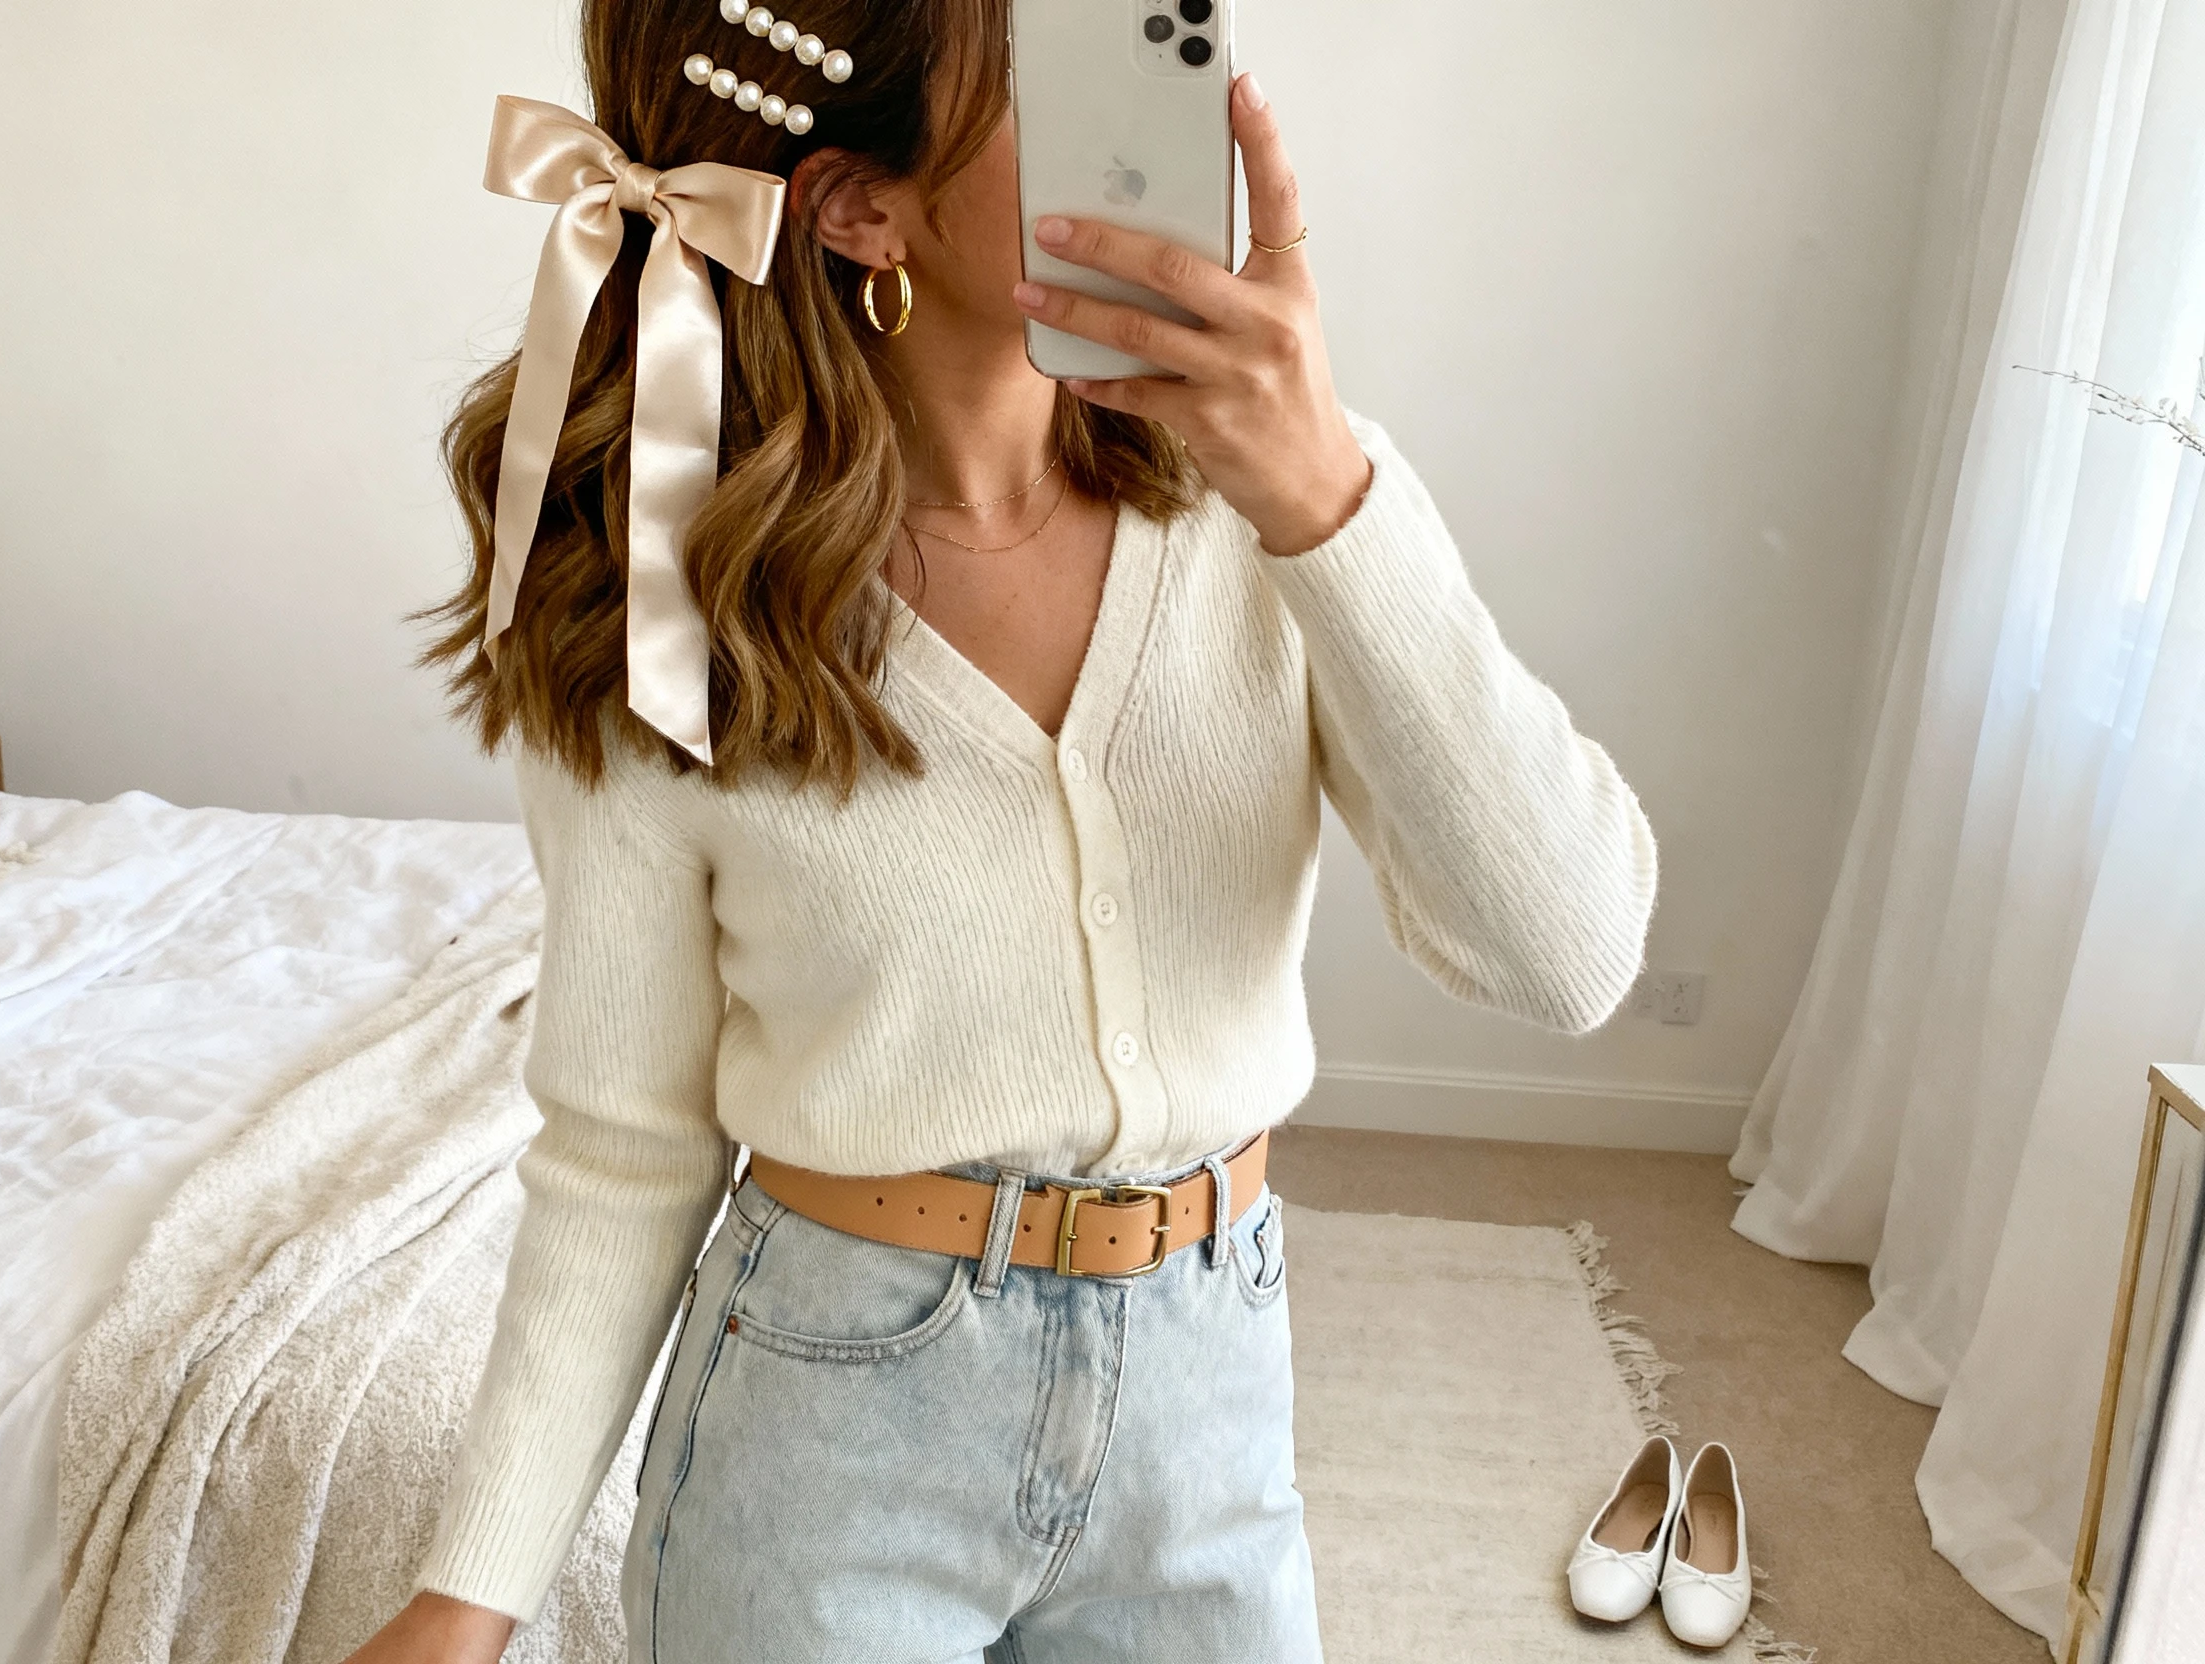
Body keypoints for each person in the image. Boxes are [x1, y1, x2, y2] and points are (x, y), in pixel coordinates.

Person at [350, 0, 1657, 1658]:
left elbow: (1568, 957)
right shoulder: (674, 606)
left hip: (1209, 1414)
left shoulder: (1284, 508)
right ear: (861, 209)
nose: (1169, 120)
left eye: (1159, 39)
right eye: (1067, 67)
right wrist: (468, 1597)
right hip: (825, 1442)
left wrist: (1324, 500)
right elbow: (626, 1143)